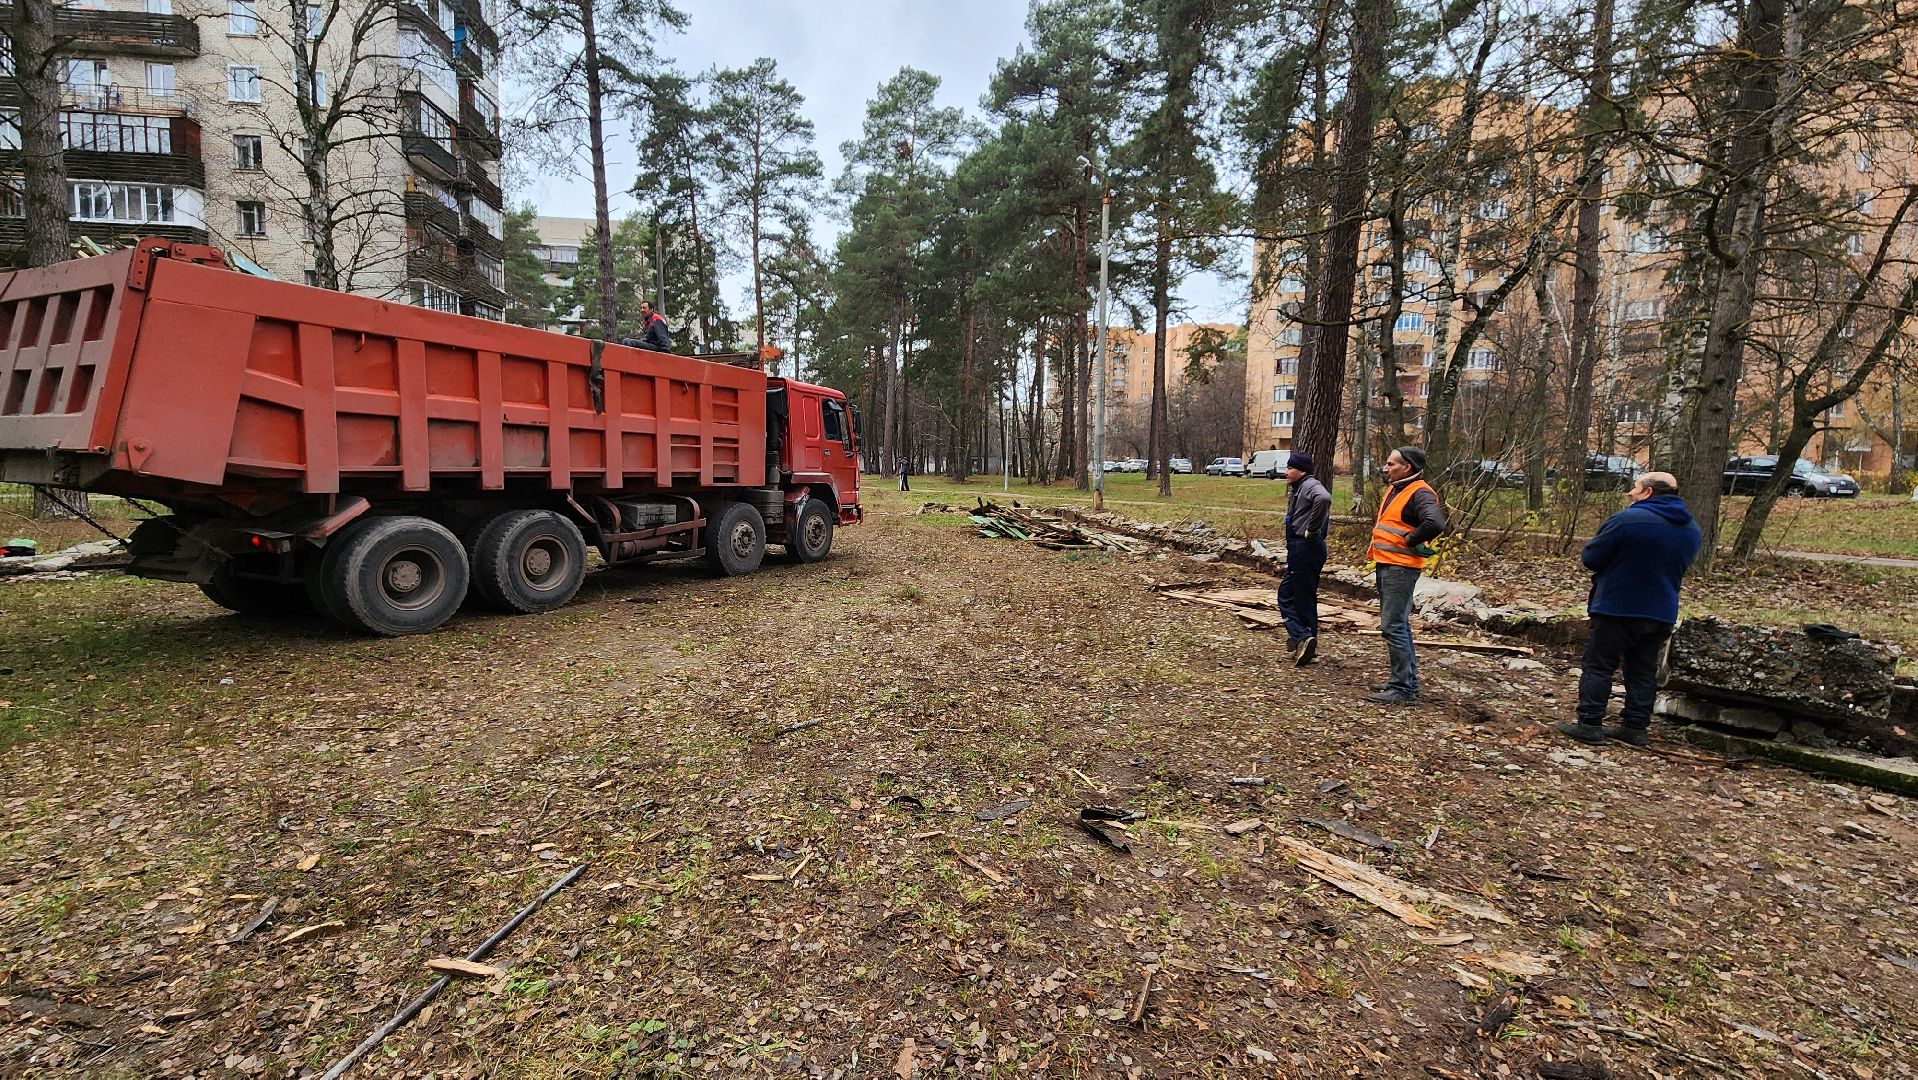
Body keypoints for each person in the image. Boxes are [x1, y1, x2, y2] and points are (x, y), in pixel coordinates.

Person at [1555, 471, 1702, 746]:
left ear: (1648, 492)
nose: (1630, 494)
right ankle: (1636, 728)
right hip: (1661, 611)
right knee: (1643, 670)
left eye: (1634, 488)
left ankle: (1589, 723)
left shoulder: (1627, 520)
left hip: (1617, 606)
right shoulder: (1691, 528)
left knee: (1599, 666)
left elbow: (1592, 558)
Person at [1365, 446, 1447, 705]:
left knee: (1394, 626)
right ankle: (1403, 681)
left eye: (1390, 464)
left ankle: (1403, 689)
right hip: (1388, 564)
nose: (1385, 468)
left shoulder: (1419, 492)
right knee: (1397, 624)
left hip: (1400, 568)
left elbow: (1435, 523)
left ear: (1407, 467)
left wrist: (1410, 539)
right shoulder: (1397, 488)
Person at [1278, 450, 1331, 666]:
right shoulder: (1301, 488)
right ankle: (1306, 641)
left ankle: (1302, 637)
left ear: (1301, 470)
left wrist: (1311, 529)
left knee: (1288, 595)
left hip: (1305, 547)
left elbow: (1324, 498)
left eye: (1290, 468)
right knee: (1301, 596)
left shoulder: (1310, 485)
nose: (1286, 472)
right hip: (1301, 548)